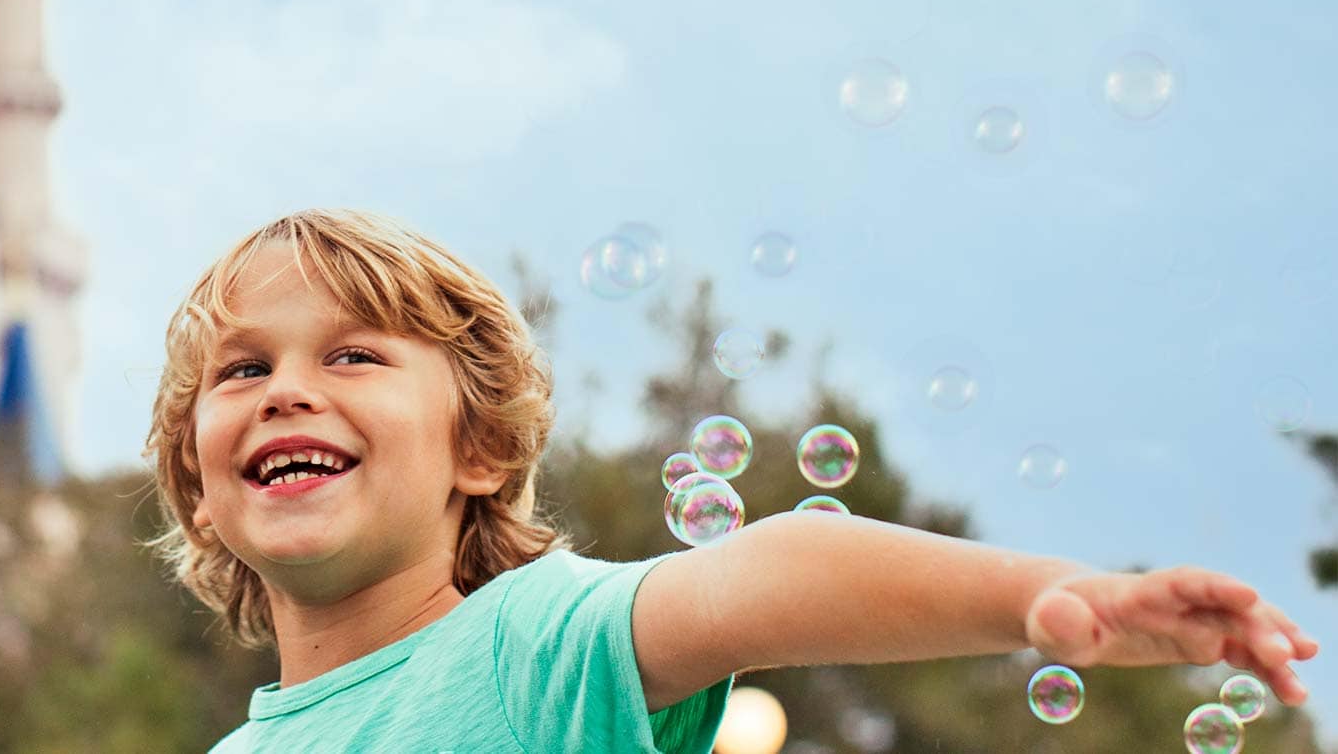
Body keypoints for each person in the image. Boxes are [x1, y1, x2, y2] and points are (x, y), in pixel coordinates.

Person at [144, 209, 1320, 753]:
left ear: (478, 450)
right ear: (197, 482)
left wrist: (1043, 596)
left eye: (353, 355)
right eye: (242, 369)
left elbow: (772, 569)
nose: (286, 389)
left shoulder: (525, 646)